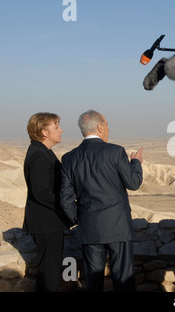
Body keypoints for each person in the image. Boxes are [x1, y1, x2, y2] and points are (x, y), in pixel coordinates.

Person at [60, 110, 144, 292]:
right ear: (99, 127)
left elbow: (65, 199)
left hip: (89, 229)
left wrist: (80, 219)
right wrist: (136, 162)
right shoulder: (115, 152)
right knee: (124, 280)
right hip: (118, 228)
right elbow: (134, 183)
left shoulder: (69, 158)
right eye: (106, 125)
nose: (108, 129)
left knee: (94, 281)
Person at [23, 112, 72, 292]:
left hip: (49, 224)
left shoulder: (43, 152)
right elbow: (41, 192)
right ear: (44, 131)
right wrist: (68, 207)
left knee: (49, 274)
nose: (61, 130)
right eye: (56, 127)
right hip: (47, 224)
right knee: (49, 276)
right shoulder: (39, 155)